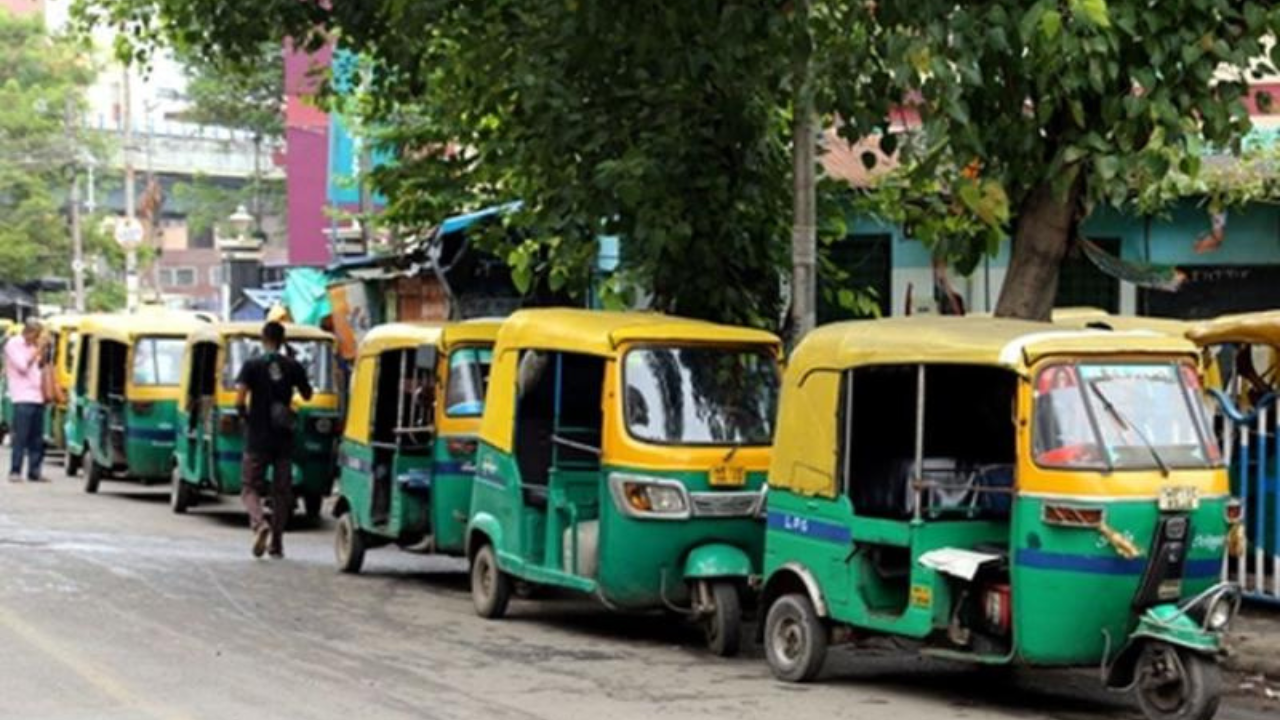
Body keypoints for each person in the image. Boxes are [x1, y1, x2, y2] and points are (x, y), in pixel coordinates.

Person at [235, 321, 312, 559]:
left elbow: (239, 400)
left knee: (249, 487)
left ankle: (259, 524)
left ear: (263, 338)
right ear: (282, 340)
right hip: (283, 439)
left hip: (257, 436)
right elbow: (307, 395)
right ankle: (277, 544)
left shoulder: (252, 365)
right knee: (281, 493)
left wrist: (245, 418)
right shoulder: (293, 365)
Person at [5, 319, 48, 483]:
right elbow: (22, 367)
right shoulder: (13, 344)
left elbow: (40, 366)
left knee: (37, 438)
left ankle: (34, 471)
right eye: (36, 335)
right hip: (22, 396)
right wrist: (37, 351)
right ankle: (15, 470)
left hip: (37, 396)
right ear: (28, 332)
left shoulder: (33, 346)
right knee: (21, 436)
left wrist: (43, 351)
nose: (36, 339)